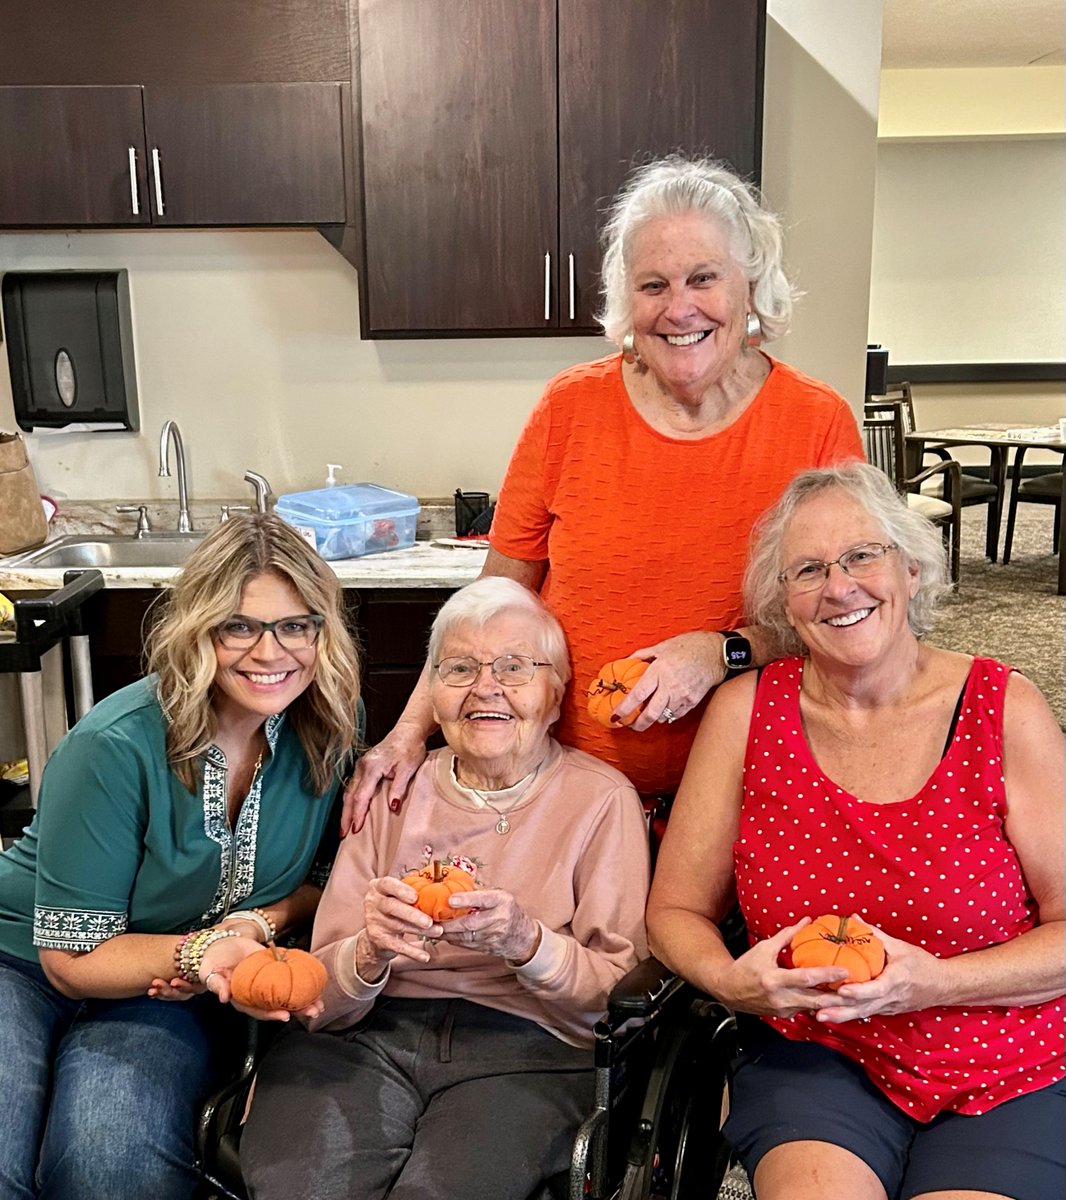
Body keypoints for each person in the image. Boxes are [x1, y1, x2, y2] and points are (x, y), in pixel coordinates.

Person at [346, 155, 863, 820]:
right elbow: (493, 601)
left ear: (750, 285)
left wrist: (723, 651)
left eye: (703, 278)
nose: (680, 310)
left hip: (743, 794)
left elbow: (843, 620)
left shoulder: (816, 424)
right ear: (627, 301)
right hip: (564, 792)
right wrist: (408, 732)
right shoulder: (571, 408)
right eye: (653, 285)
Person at [646, 463, 1065, 1200]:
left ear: (910, 567)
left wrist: (935, 982)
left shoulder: (1004, 706)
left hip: (1006, 1054)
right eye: (808, 570)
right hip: (818, 1053)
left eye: (862, 556)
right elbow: (674, 911)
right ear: (783, 602)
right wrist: (729, 982)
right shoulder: (746, 713)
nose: (838, 587)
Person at [240, 577, 649, 1200]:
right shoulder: (394, 791)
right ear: (431, 691)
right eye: (459, 668)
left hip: (527, 1049)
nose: (487, 688)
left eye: (515, 667)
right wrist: (369, 952)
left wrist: (526, 942)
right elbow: (320, 993)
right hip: (364, 1039)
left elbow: (613, 999)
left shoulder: (600, 801)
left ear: (555, 690)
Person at [0, 513, 361, 1200]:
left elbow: (329, 880)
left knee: (110, 1164)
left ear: (322, 631)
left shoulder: (335, 723)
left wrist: (255, 926)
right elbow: (71, 962)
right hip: (24, 960)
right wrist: (202, 953)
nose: (270, 651)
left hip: (170, 987)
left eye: (295, 625)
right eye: (239, 626)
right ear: (199, 631)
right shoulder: (114, 745)